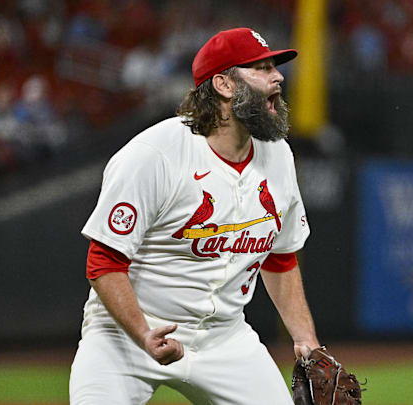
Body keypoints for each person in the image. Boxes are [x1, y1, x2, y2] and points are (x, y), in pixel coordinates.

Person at [69, 27, 320, 404]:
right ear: (224, 85)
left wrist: (306, 340)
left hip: (225, 339)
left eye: (275, 67)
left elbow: (280, 257)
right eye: (262, 68)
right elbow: (104, 262)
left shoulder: (278, 156)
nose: (278, 76)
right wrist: (143, 334)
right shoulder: (155, 154)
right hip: (125, 335)